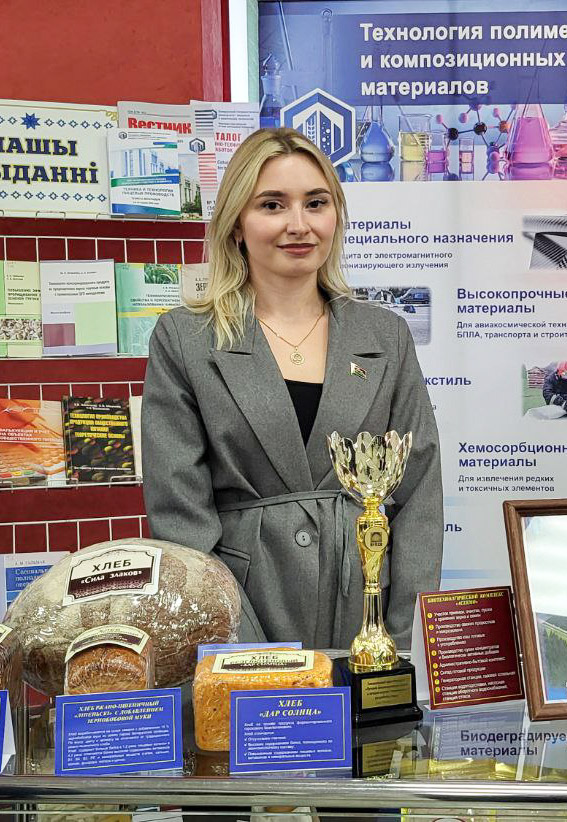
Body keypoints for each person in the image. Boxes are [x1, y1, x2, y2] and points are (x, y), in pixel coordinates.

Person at [141, 128, 443, 650]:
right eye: (272, 205)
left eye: (316, 203)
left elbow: (418, 497)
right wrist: (239, 646)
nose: (298, 225)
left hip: (364, 613)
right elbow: (181, 518)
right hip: (243, 615)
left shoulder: (385, 336)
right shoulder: (185, 339)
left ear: (335, 216)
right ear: (237, 223)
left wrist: (398, 640)